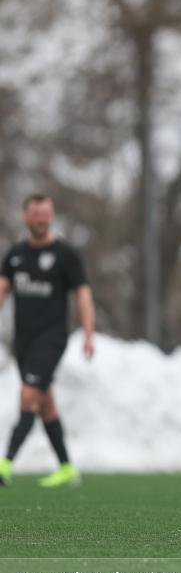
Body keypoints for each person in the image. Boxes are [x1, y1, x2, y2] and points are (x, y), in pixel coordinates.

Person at [0, 194, 95, 488]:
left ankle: (5, 464)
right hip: (24, 341)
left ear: (51, 216)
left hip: (52, 338)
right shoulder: (16, 254)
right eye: (36, 214)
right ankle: (66, 467)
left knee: (29, 395)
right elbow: (2, 288)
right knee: (45, 403)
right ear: (26, 217)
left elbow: (82, 293)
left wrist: (89, 333)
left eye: (45, 214)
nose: (41, 219)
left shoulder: (65, 254)